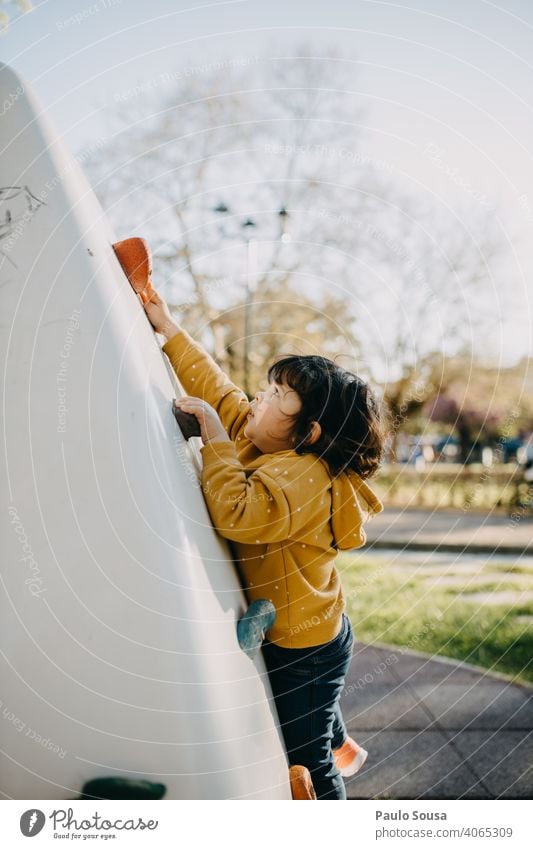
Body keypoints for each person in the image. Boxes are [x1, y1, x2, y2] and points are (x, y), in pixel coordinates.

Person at [143, 288, 384, 800]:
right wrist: (169, 330)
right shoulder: (265, 436)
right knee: (318, 709)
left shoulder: (305, 476)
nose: (260, 396)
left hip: (304, 645)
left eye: (277, 397)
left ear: (309, 432)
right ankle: (341, 741)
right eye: (269, 387)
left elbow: (238, 514)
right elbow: (223, 393)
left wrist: (213, 436)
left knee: (305, 756)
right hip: (316, 626)